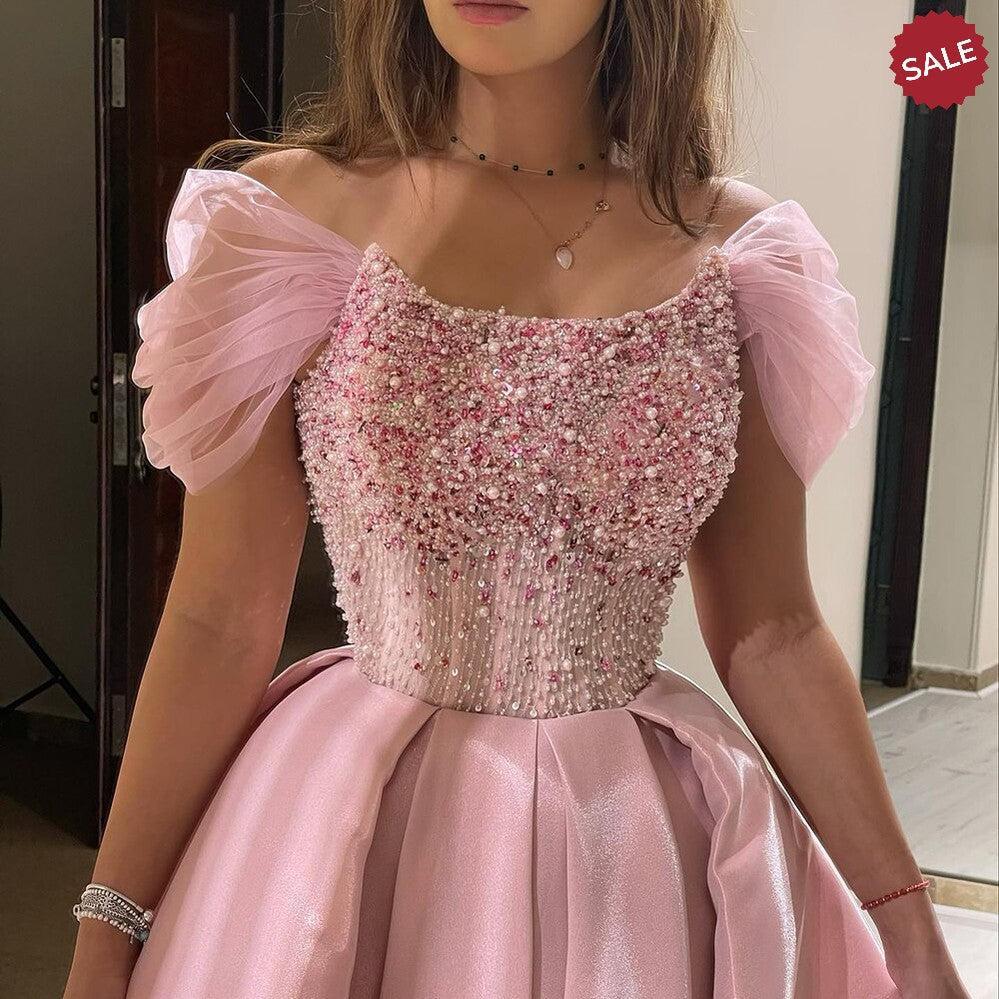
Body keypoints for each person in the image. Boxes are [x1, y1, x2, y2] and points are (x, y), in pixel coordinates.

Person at [63, 1, 969, 997]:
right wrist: (108, 928)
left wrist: (908, 927)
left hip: (629, 849)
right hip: (344, 825)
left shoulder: (741, 259)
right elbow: (220, 612)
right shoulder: (293, 219)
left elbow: (774, 630)